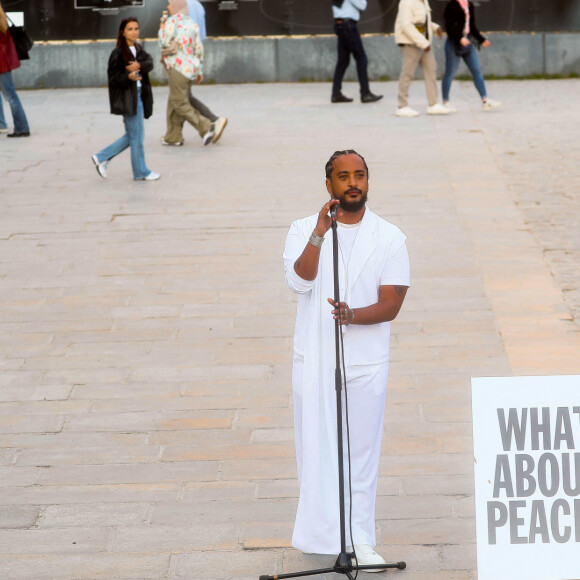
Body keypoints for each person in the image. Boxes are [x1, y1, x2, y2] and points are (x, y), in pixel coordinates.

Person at [283, 150, 410, 567]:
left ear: (368, 181)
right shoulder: (304, 228)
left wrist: (353, 316)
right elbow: (299, 281)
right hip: (316, 359)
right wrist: (320, 233)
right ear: (329, 186)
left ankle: (361, 539)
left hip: (366, 362)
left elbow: (392, 303)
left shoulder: (391, 236)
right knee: (316, 447)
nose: (352, 182)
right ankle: (325, 537)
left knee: (362, 453)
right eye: (343, 176)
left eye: (359, 175)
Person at [92, 17, 160, 181]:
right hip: (128, 98)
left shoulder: (138, 48)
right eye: (130, 29)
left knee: (133, 136)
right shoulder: (118, 52)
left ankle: (101, 158)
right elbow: (113, 77)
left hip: (139, 96)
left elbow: (150, 62)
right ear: (122, 32)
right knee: (136, 138)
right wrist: (128, 76)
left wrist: (139, 66)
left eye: (136, 28)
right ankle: (140, 172)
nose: (134, 32)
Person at [158, 0, 226, 147]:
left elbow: (163, 42)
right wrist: (199, 70)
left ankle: (206, 126)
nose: (168, 7)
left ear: (175, 7)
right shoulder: (191, 24)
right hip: (190, 69)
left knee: (179, 102)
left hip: (177, 67)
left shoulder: (172, 22)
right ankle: (173, 136)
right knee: (175, 100)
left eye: (170, 5)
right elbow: (199, 49)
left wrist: (162, 26)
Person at [394, 0, 451, 117]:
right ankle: (402, 106)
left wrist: (435, 27)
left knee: (431, 69)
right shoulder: (407, 2)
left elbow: (422, 21)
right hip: (411, 43)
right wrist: (422, 43)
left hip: (424, 43)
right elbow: (406, 25)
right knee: (408, 73)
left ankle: (433, 104)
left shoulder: (423, 1)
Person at [441, 0, 501, 112]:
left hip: (467, 42)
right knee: (450, 73)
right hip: (454, 43)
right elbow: (448, 26)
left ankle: (485, 100)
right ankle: (445, 102)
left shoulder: (469, 5)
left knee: (476, 70)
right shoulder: (452, 4)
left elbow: (472, 26)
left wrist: (481, 40)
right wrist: (459, 38)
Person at [330, 0, 383, 104]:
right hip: (348, 26)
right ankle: (365, 93)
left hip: (339, 25)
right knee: (361, 58)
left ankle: (336, 93)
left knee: (343, 61)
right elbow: (362, 5)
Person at [0, 1, 30, 137]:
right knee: (10, 94)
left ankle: (22, 127)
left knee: (10, 95)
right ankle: (2, 124)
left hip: (1, 63)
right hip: (3, 61)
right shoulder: (2, 17)